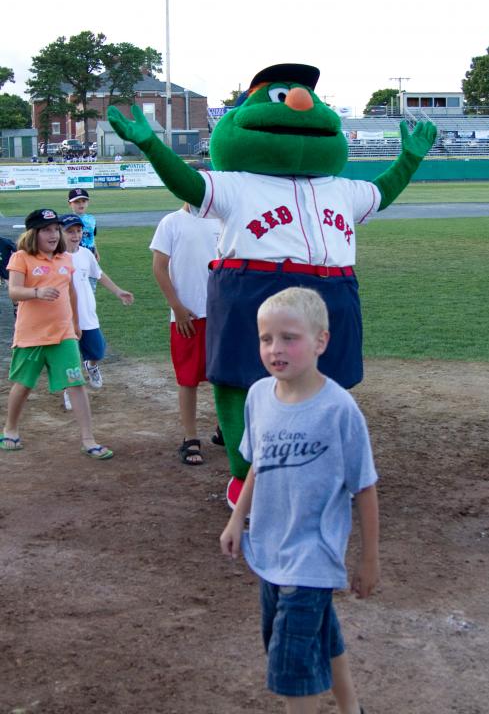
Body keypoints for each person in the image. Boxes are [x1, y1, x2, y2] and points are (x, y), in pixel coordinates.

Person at [220, 287, 379, 713]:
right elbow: (256, 464)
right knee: (321, 639)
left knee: (291, 666)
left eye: (290, 337)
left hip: (312, 558)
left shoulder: (339, 409)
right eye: (266, 338)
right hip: (270, 546)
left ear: (321, 341)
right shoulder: (258, 396)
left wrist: (368, 560)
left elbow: (364, 486)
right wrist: (238, 519)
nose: (276, 349)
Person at [1, 208, 112, 459]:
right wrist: (36, 293)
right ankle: (11, 428)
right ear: (33, 234)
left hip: (63, 334)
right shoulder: (21, 257)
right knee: (23, 385)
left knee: (76, 384)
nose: (52, 235)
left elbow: (71, 292)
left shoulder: (64, 259)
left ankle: (88, 439)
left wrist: (74, 323)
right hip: (31, 335)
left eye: (54, 229)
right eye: (46, 230)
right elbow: (14, 291)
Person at [150, 200, 221, 465]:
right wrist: (177, 307)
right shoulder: (172, 222)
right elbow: (159, 267)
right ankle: (190, 438)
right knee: (188, 378)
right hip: (188, 315)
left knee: (223, 375)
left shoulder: (221, 219)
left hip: (221, 312)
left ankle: (223, 427)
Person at [60, 213, 134, 410]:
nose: (75, 235)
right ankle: (68, 390)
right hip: (65, 318)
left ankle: (91, 366)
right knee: (70, 358)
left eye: (78, 231)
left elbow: (99, 275)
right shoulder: (56, 258)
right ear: (60, 233)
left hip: (88, 315)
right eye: (70, 232)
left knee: (98, 351)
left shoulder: (86, 254)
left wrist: (118, 291)